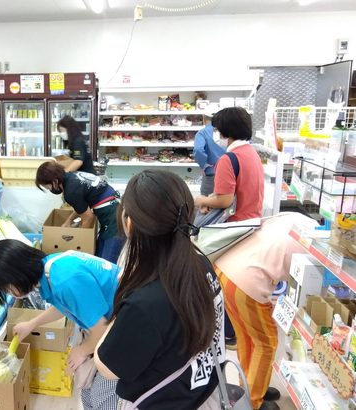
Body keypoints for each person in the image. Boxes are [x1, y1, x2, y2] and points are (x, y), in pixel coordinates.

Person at [94, 170, 225, 409]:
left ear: (130, 223)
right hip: (203, 393)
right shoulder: (200, 263)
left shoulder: (144, 303)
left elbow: (107, 367)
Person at [0, 239, 120, 410]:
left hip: (126, 330)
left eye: (6, 288)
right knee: (88, 391)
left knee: (104, 398)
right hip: (115, 323)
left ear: (15, 276)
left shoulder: (64, 280)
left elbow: (103, 329)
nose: (9, 293)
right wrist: (32, 324)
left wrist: (82, 351)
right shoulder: (51, 268)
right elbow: (65, 305)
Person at [215, 212, 317, 410]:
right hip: (246, 281)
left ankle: (250, 386)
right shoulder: (313, 242)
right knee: (266, 343)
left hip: (225, 271)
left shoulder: (294, 218)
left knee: (247, 338)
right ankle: (252, 402)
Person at [36, 161, 124, 263]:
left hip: (114, 218)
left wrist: (79, 240)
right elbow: (81, 207)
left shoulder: (70, 191)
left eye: (48, 187)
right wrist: (68, 222)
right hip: (112, 209)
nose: (49, 190)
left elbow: (88, 217)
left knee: (107, 263)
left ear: (55, 181)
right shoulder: (72, 176)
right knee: (98, 255)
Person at [194, 107, 264, 222]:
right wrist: (212, 199)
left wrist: (202, 200)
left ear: (227, 130)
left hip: (234, 223)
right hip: (253, 220)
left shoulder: (228, 160)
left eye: (217, 130)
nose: (216, 134)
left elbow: (224, 200)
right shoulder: (252, 152)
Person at [193, 122, 226, 196]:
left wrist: (203, 164)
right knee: (227, 204)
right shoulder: (229, 132)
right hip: (228, 174)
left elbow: (198, 150)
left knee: (207, 204)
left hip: (211, 173)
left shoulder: (203, 132)